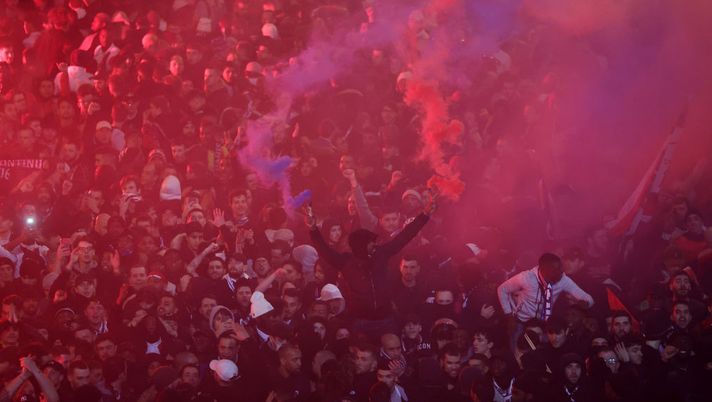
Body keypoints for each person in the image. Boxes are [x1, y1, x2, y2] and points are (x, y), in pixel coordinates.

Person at [497, 253, 594, 350]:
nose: (561, 271)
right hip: (521, 323)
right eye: (556, 269)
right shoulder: (527, 278)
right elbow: (502, 290)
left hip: (543, 325)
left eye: (561, 267)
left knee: (543, 354)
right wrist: (509, 316)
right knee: (518, 353)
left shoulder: (563, 280)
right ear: (544, 270)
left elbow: (588, 298)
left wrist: (584, 303)